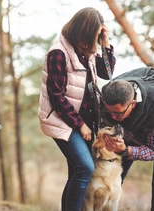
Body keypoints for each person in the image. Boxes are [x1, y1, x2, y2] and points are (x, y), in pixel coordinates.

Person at [38, 7, 116, 211]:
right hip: (61, 119)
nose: (95, 41)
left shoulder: (86, 50)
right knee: (85, 167)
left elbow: (107, 73)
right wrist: (80, 125)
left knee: (76, 172)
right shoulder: (59, 53)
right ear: (83, 32)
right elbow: (56, 96)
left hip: (83, 121)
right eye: (95, 35)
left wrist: (105, 43)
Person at [101, 67, 154, 211]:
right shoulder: (109, 95)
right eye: (109, 112)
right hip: (137, 117)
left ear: (132, 104)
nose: (112, 117)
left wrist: (126, 150)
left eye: (117, 113)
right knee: (114, 168)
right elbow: (107, 119)